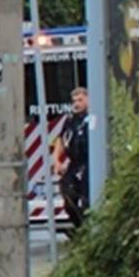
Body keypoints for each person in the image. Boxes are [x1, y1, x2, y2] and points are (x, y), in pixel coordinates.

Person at [56, 87, 92, 230]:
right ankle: (79, 227)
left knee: (86, 199)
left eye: (80, 100)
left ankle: (88, 229)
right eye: (74, 101)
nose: (76, 104)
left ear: (88, 100)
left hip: (89, 161)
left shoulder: (93, 117)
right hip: (74, 163)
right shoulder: (71, 120)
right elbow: (62, 139)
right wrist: (57, 161)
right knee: (68, 194)